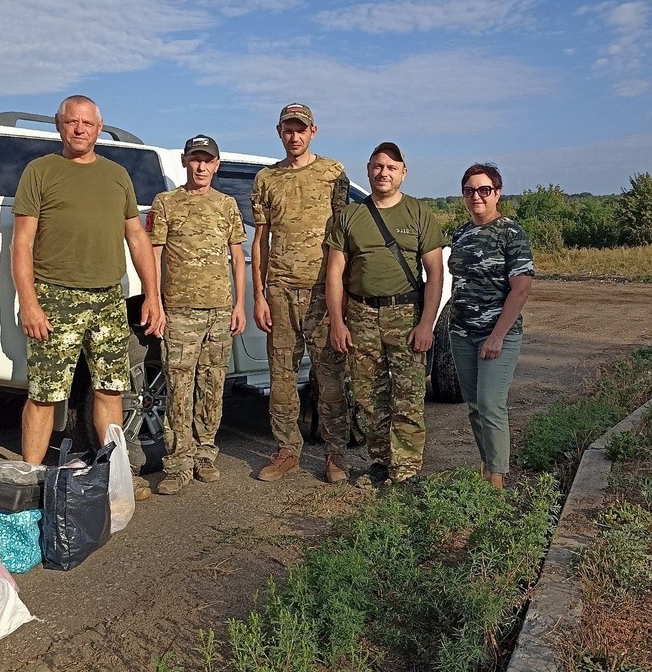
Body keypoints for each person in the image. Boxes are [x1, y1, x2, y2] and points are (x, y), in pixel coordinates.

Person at [11, 95, 165, 502]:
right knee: (45, 394)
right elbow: (22, 242)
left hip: (108, 299)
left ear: (99, 127)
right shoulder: (39, 171)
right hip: (54, 296)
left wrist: (153, 295)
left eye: (87, 123)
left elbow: (136, 236)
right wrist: (29, 302)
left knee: (110, 390)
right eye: (71, 122)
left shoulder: (117, 175)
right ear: (59, 125)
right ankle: (30, 481)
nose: (79, 129)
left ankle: (115, 478)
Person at [326, 143, 445, 486]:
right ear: (368, 169)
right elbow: (336, 273)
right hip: (361, 315)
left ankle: (406, 470)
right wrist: (337, 322)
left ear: (403, 172)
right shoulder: (349, 216)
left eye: (392, 167)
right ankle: (380, 461)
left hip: (406, 314)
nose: (384, 173)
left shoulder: (419, 213)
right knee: (367, 396)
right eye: (378, 166)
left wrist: (426, 324)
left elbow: (434, 273)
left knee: (407, 395)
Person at [251, 103, 351, 483]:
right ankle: (286, 450)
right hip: (280, 290)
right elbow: (261, 239)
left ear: (313, 131)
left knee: (329, 378)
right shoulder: (266, 179)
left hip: (323, 292)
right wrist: (259, 294)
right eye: (288, 130)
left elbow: (344, 234)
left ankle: (335, 455)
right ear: (279, 132)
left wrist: (342, 294)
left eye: (301, 129)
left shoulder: (332, 173)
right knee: (280, 376)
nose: (294, 136)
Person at [148, 135, 247, 495]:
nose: (201, 167)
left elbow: (238, 257)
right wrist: (155, 302)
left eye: (207, 160)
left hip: (220, 311)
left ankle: (205, 454)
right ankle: (178, 463)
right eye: (195, 160)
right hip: (179, 311)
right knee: (178, 387)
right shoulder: (167, 202)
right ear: (185, 162)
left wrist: (239, 305)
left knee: (212, 385)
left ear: (216, 164)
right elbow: (154, 254)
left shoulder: (226, 205)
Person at [448, 163, 534, 489]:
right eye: (469, 190)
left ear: (497, 193)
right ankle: (486, 467)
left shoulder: (511, 233)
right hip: (460, 332)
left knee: (490, 403)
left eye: (484, 190)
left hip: (497, 334)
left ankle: (497, 480)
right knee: (473, 406)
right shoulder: (460, 233)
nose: (476, 196)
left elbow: (521, 287)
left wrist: (496, 336)